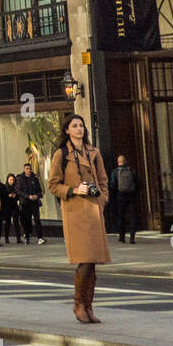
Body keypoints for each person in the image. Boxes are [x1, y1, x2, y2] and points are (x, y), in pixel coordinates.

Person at [48, 113, 110, 325]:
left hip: (94, 212)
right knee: (84, 261)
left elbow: (103, 180)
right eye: (74, 126)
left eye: (81, 125)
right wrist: (74, 190)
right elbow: (53, 185)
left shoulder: (94, 152)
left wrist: (102, 200)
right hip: (75, 213)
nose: (79, 129)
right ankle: (78, 304)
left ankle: (89, 306)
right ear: (67, 130)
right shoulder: (61, 154)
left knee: (93, 263)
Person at [108, 156, 139, 244]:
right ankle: (132, 238)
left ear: (118, 162)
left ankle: (122, 237)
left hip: (120, 197)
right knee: (133, 217)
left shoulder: (115, 172)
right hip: (131, 196)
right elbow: (137, 183)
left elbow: (113, 185)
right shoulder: (131, 171)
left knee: (121, 217)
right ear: (125, 161)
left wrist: (112, 196)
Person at [15, 162, 46, 244]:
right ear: (24, 170)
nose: (29, 170)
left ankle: (40, 237)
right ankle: (27, 235)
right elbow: (18, 191)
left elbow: (40, 191)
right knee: (27, 220)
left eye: (30, 169)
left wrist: (37, 196)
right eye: (27, 169)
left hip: (34, 203)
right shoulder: (20, 179)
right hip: (25, 203)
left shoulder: (35, 179)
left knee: (37, 219)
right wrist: (27, 196)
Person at [3, 175, 23, 244]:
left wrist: (15, 196)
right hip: (7, 207)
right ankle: (6, 238)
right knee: (7, 223)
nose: (12, 181)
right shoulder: (5, 187)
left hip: (14, 206)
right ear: (7, 180)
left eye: (13, 180)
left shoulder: (16, 187)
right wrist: (8, 196)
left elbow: (19, 196)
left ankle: (18, 238)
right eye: (10, 180)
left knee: (16, 222)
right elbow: (3, 197)